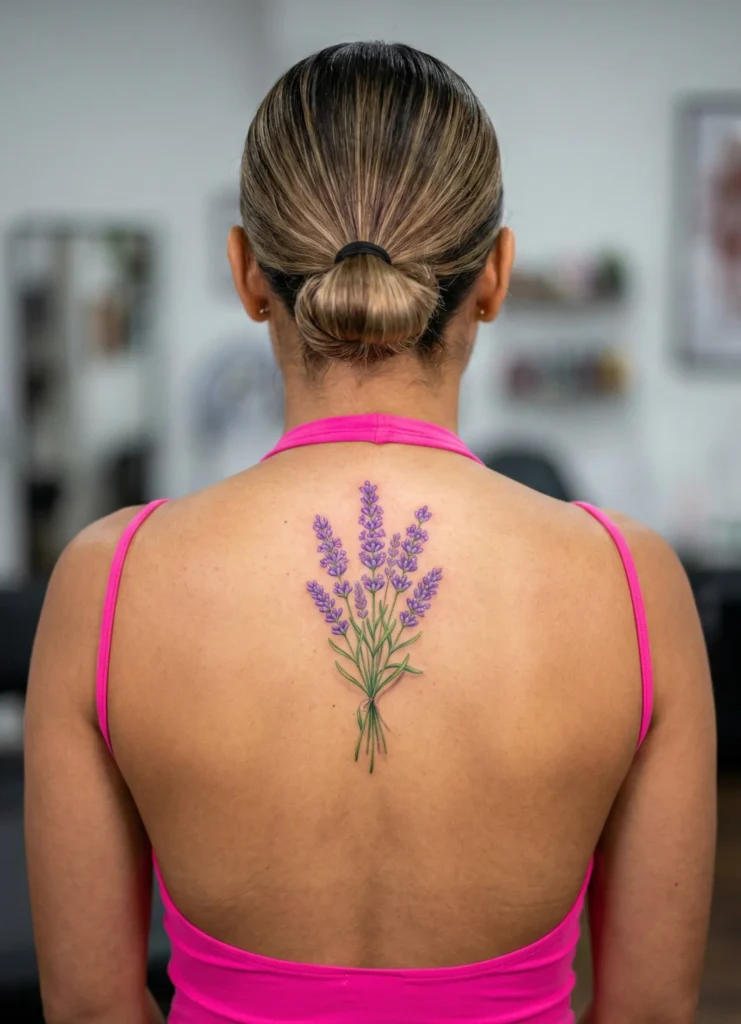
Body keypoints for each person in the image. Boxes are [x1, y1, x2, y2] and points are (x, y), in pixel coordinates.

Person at [25, 41, 716, 1024]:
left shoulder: (106, 583)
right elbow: (649, 1012)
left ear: (247, 273)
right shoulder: (635, 587)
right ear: (496, 274)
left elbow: (93, 1008)